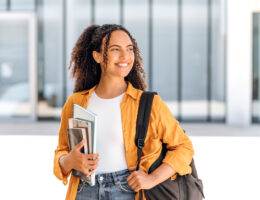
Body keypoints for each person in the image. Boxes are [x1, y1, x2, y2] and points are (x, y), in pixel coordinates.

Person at [53, 24, 194, 200]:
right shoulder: (75, 103)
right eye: (115, 49)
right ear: (97, 56)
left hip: (128, 191)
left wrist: (151, 179)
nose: (125, 56)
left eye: (129, 49)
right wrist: (68, 161)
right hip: (83, 190)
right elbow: (62, 151)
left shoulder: (149, 104)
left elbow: (183, 147)